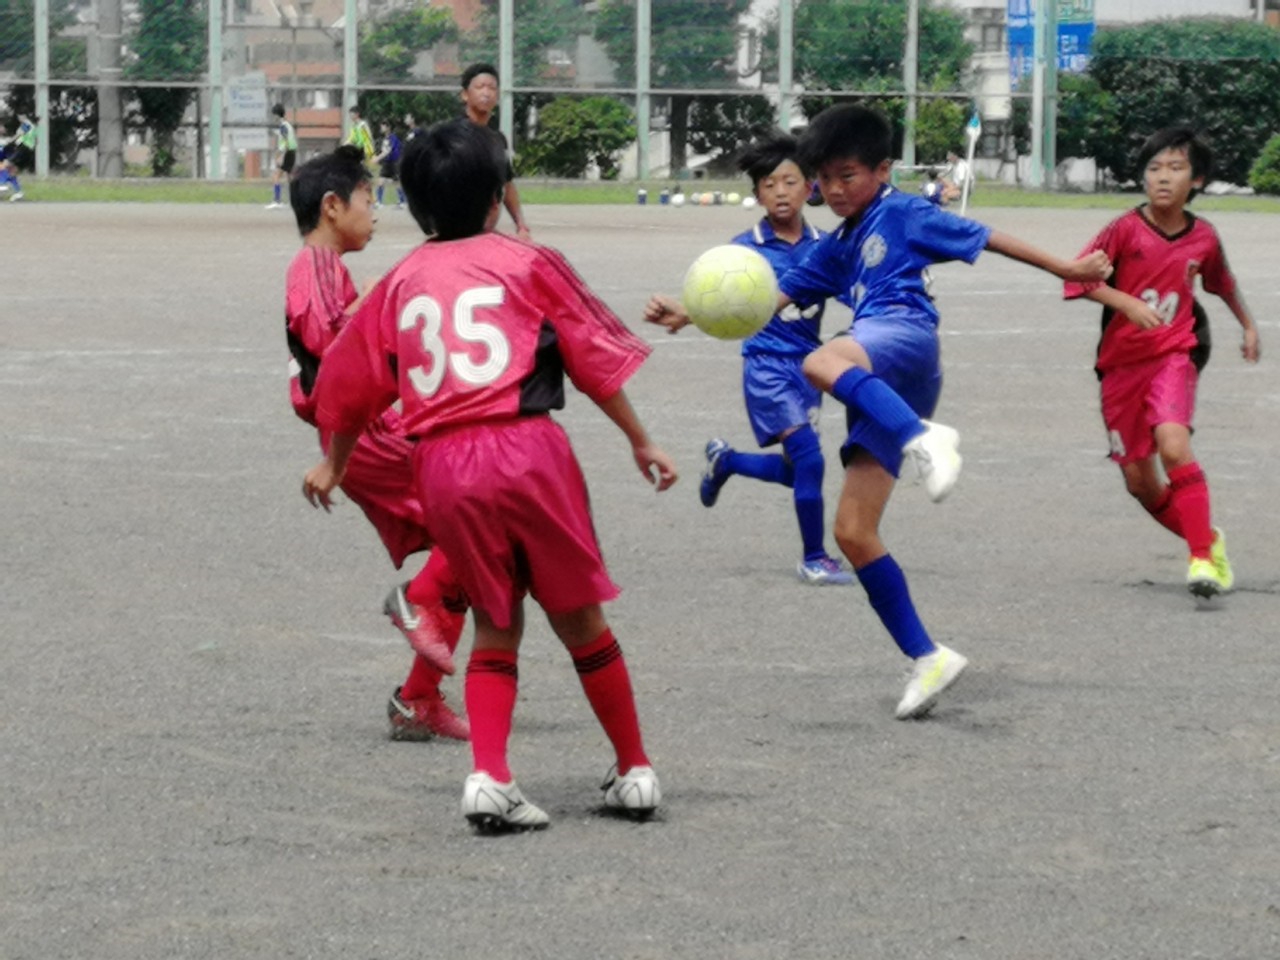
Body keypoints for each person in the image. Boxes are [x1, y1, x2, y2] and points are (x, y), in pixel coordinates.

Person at [648, 105, 1112, 720]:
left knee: (818, 362)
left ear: (882, 169)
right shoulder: (837, 242)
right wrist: (692, 313)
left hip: (905, 340)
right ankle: (928, 656)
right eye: (825, 180)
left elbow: (989, 237)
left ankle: (924, 436)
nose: (833, 191)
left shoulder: (902, 211)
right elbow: (776, 296)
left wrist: (1071, 268)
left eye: (847, 176)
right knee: (852, 532)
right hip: (881, 378)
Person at [302, 119, 677, 833]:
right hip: (528, 448)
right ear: (495, 200)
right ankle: (633, 769)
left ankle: (490, 778)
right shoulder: (529, 262)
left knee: (493, 623)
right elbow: (591, 360)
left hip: (443, 462)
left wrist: (336, 461)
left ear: (416, 207)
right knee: (582, 621)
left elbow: (350, 388)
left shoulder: (399, 280)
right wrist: (641, 440)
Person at [285, 145, 470, 742]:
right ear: (333, 207)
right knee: (477, 531)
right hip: (364, 435)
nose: (376, 211)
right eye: (370, 199)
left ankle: (419, 698)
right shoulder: (311, 265)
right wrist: (371, 303)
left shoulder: (328, 269)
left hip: (371, 430)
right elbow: (332, 349)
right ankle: (413, 605)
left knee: (472, 560)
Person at [646, 132, 852, 586]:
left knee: (796, 469)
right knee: (812, 461)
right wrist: (686, 312)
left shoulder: (826, 246)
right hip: (766, 366)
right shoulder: (743, 249)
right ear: (757, 193)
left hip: (809, 368)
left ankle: (728, 462)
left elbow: (854, 290)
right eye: (769, 183)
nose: (780, 191)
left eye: (790, 181)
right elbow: (722, 301)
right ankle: (814, 558)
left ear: (810, 187)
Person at [1064, 126, 1260, 600]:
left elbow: (1222, 283)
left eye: (1176, 168)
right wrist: (1126, 304)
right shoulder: (1123, 230)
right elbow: (1077, 280)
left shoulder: (1205, 238)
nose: (1163, 178)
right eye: (1154, 169)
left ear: (1197, 180)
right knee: (1141, 484)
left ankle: (1199, 562)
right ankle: (1208, 542)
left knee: (1173, 446)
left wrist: (1248, 326)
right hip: (1120, 366)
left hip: (1175, 352)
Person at [459, 63, 532, 240]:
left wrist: (521, 225)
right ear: (465, 95)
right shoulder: (454, 137)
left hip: (486, 232)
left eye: (492, 88)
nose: (486, 92)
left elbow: (507, 184)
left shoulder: (497, 140)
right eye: (479, 87)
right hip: (457, 234)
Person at [266, 104, 297, 210]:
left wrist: (280, 156)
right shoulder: (287, 125)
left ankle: (277, 200)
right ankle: (294, 201)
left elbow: (286, 142)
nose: (273, 117)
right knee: (290, 178)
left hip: (287, 153)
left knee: (276, 176)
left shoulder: (283, 126)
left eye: (274, 115)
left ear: (277, 115)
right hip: (292, 152)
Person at [1, 114, 36, 202]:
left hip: (23, 148)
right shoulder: (32, 126)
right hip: (28, 150)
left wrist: (10, 141)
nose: (19, 118)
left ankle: (3, 184)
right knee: (13, 171)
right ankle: (18, 192)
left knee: (5, 164)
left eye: (21, 116)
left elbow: (19, 135)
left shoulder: (26, 124)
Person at [372, 120, 404, 209]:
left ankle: (402, 202)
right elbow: (384, 151)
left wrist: (377, 158)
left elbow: (388, 150)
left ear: (388, 127)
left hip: (394, 163)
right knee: (380, 181)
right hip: (387, 163)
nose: (381, 128)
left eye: (383, 126)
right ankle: (379, 202)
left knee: (396, 183)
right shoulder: (385, 139)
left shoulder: (393, 138)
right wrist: (377, 157)